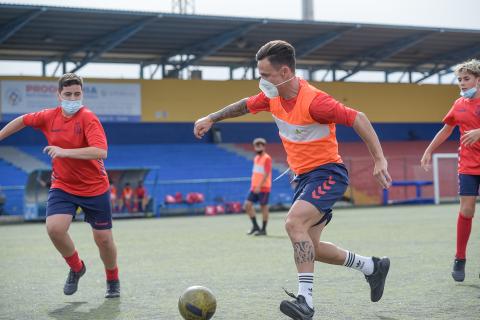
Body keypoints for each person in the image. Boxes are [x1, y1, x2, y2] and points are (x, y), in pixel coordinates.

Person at [194, 40, 392, 320]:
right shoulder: (271, 97)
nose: (260, 81)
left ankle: (306, 302)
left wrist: (379, 159)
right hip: (302, 178)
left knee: (293, 223)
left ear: (285, 72)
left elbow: (358, 118)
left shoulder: (316, 102)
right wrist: (212, 117)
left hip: (327, 174)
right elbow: (244, 105)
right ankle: (372, 267)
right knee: (312, 249)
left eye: (265, 75)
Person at [0, 73, 120, 298]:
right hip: (63, 185)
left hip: (95, 188)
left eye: (77, 94)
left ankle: (113, 280)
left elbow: (101, 151)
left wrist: (65, 152)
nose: (73, 98)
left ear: (82, 94)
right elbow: (22, 120)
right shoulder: (48, 117)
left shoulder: (88, 118)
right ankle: (77, 268)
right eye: (68, 94)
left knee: (103, 240)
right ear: (59, 95)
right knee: (54, 229)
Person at [421, 59, 480, 282]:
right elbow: (446, 130)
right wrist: (428, 150)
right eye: (459, 80)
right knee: (467, 210)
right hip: (467, 165)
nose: (462, 83)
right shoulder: (459, 104)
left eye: (467, 79)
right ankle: (460, 258)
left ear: (478, 80)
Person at [245, 137, 272, 236]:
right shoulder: (256, 158)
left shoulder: (267, 158)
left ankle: (263, 230)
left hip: (263, 187)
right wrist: (254, 186)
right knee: (247, 205)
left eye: (260, 145)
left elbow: (266, 173)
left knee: (263, 208)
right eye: (256, 146)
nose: (258, 147)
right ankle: (255, 226)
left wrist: (259, 186)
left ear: (264, 147)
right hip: (254, 187)